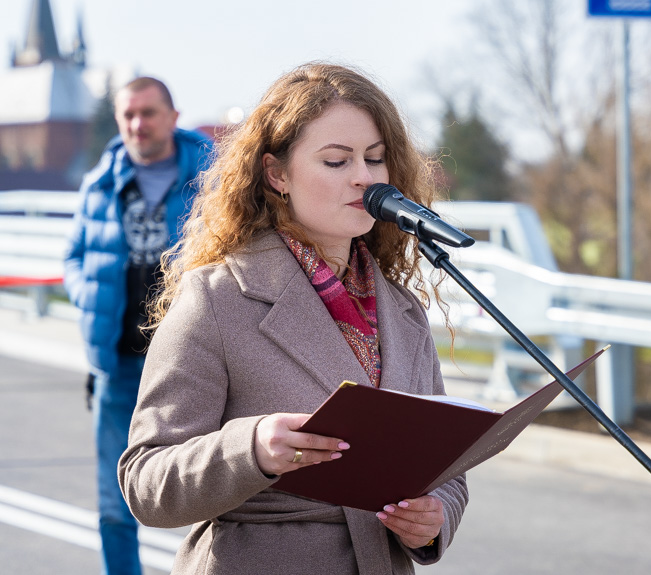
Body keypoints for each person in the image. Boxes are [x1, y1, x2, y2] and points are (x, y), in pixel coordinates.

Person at [117, 62, 468, 574]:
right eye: (335, 161)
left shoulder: (403, 311)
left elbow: (445, 465)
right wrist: (251, 449)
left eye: (374, 158)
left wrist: (435, 519)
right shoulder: (217, 299)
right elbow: (147, 483)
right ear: (277, 174)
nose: (363, 178)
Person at [63, 76, 213, 575]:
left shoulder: (212, 179)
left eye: (148, 113)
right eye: (128, 115)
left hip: (198, 364)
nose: (137, 124)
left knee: (216, 487)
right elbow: (76, 257)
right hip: (119, 362)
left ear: (172, 117)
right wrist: (91, 299)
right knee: (115, 498)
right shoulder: (100, 181)